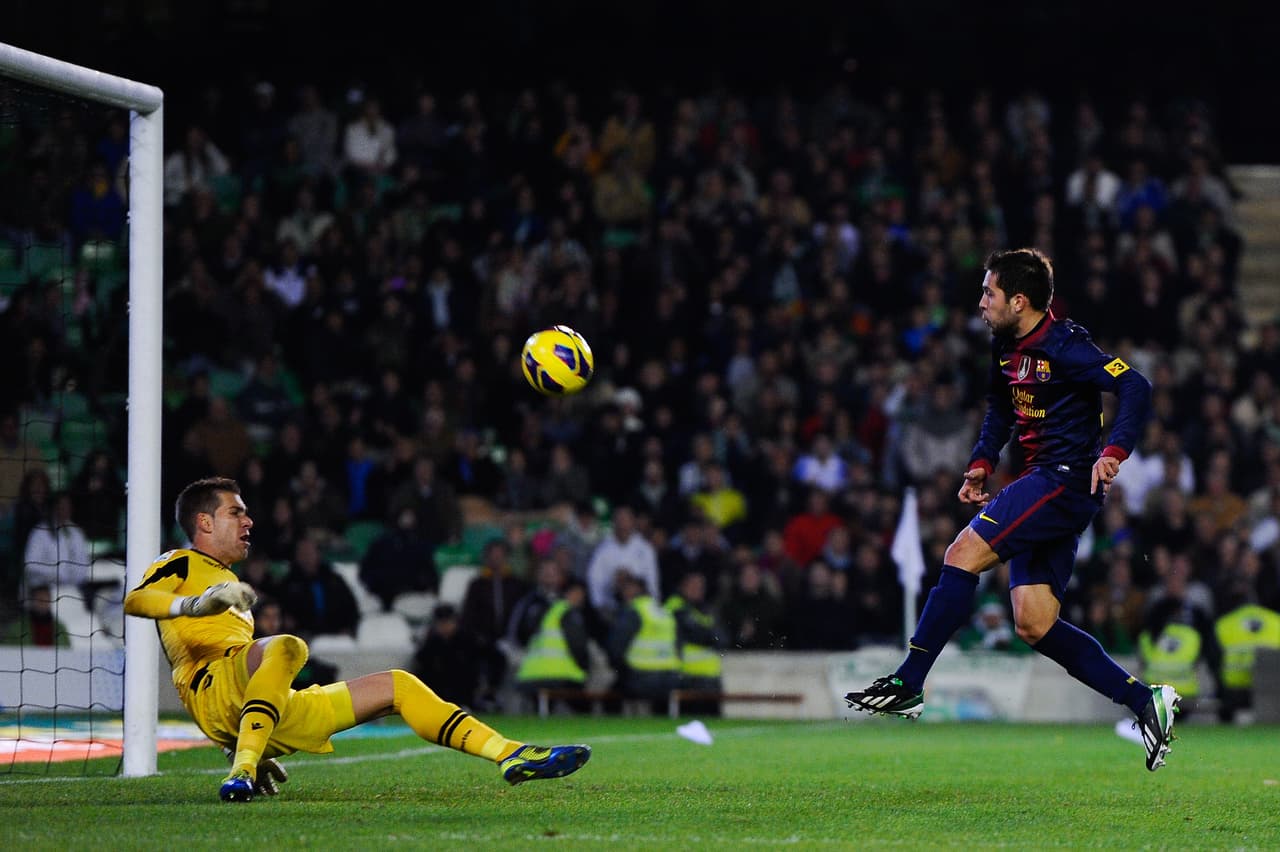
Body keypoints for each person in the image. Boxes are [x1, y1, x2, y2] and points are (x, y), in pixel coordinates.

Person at [844, 248, 1179, 772]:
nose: (980, 303)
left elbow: (1136, 384)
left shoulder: (1066, 345)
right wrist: (981, 461)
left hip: (1063, 480)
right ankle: (1144, 701)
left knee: (961, 553)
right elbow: (1001, 405)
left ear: (1018, 301)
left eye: (988, 293)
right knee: (1035, 623)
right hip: (1041, 481)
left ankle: (909, 680)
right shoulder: (1004, 343)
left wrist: (1114, 452)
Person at [123, 477, 589, 803]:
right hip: (213, 685)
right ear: (204, 523)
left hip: (258, 707)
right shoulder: (180, 562)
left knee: (399, 685)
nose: (249, 521)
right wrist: (195, 604)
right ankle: (241, 770)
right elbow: (137, 601)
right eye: (236, 512)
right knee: (287, 645)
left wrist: (240, 738)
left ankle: (508, 755)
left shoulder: (229, 583)